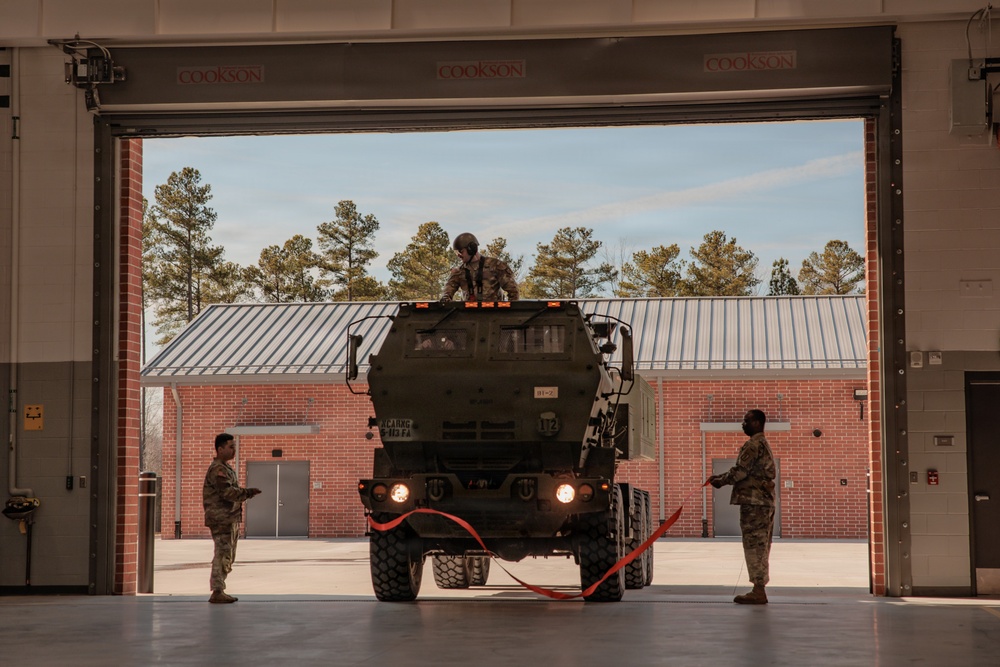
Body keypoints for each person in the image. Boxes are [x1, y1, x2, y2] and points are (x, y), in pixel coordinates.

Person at [708, 409, 776, 605]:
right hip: (764, 502)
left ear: (756, 422)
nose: (742, 424)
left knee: (754, 545)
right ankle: (759, 587)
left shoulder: (753, 445)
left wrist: (720, 480)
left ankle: (758, 589)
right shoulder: (764, 444)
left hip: (754, 504)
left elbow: (740, 472)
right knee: (762, 545)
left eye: (746, 421)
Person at [203, 433, 262, 604]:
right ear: (220, 449)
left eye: (234, 446)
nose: (233, 450)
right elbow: (227, 493)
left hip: (229, 518)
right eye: (230, 447)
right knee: (223, 553)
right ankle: (217, 590)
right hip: (221, 519)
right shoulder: (218, 470)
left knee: (228, 554)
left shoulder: (225, 468)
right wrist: (248, 492)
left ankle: (219, 588)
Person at [441, 232, 520, 302]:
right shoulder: (459, 272)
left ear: (471, 249)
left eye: (461, 252)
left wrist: (509, 315)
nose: (459, 255)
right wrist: (445, 299)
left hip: (495, 315)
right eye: (456, 252)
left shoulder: (496, 266)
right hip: (468, 316)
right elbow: (447, 292)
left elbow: (513, 292)